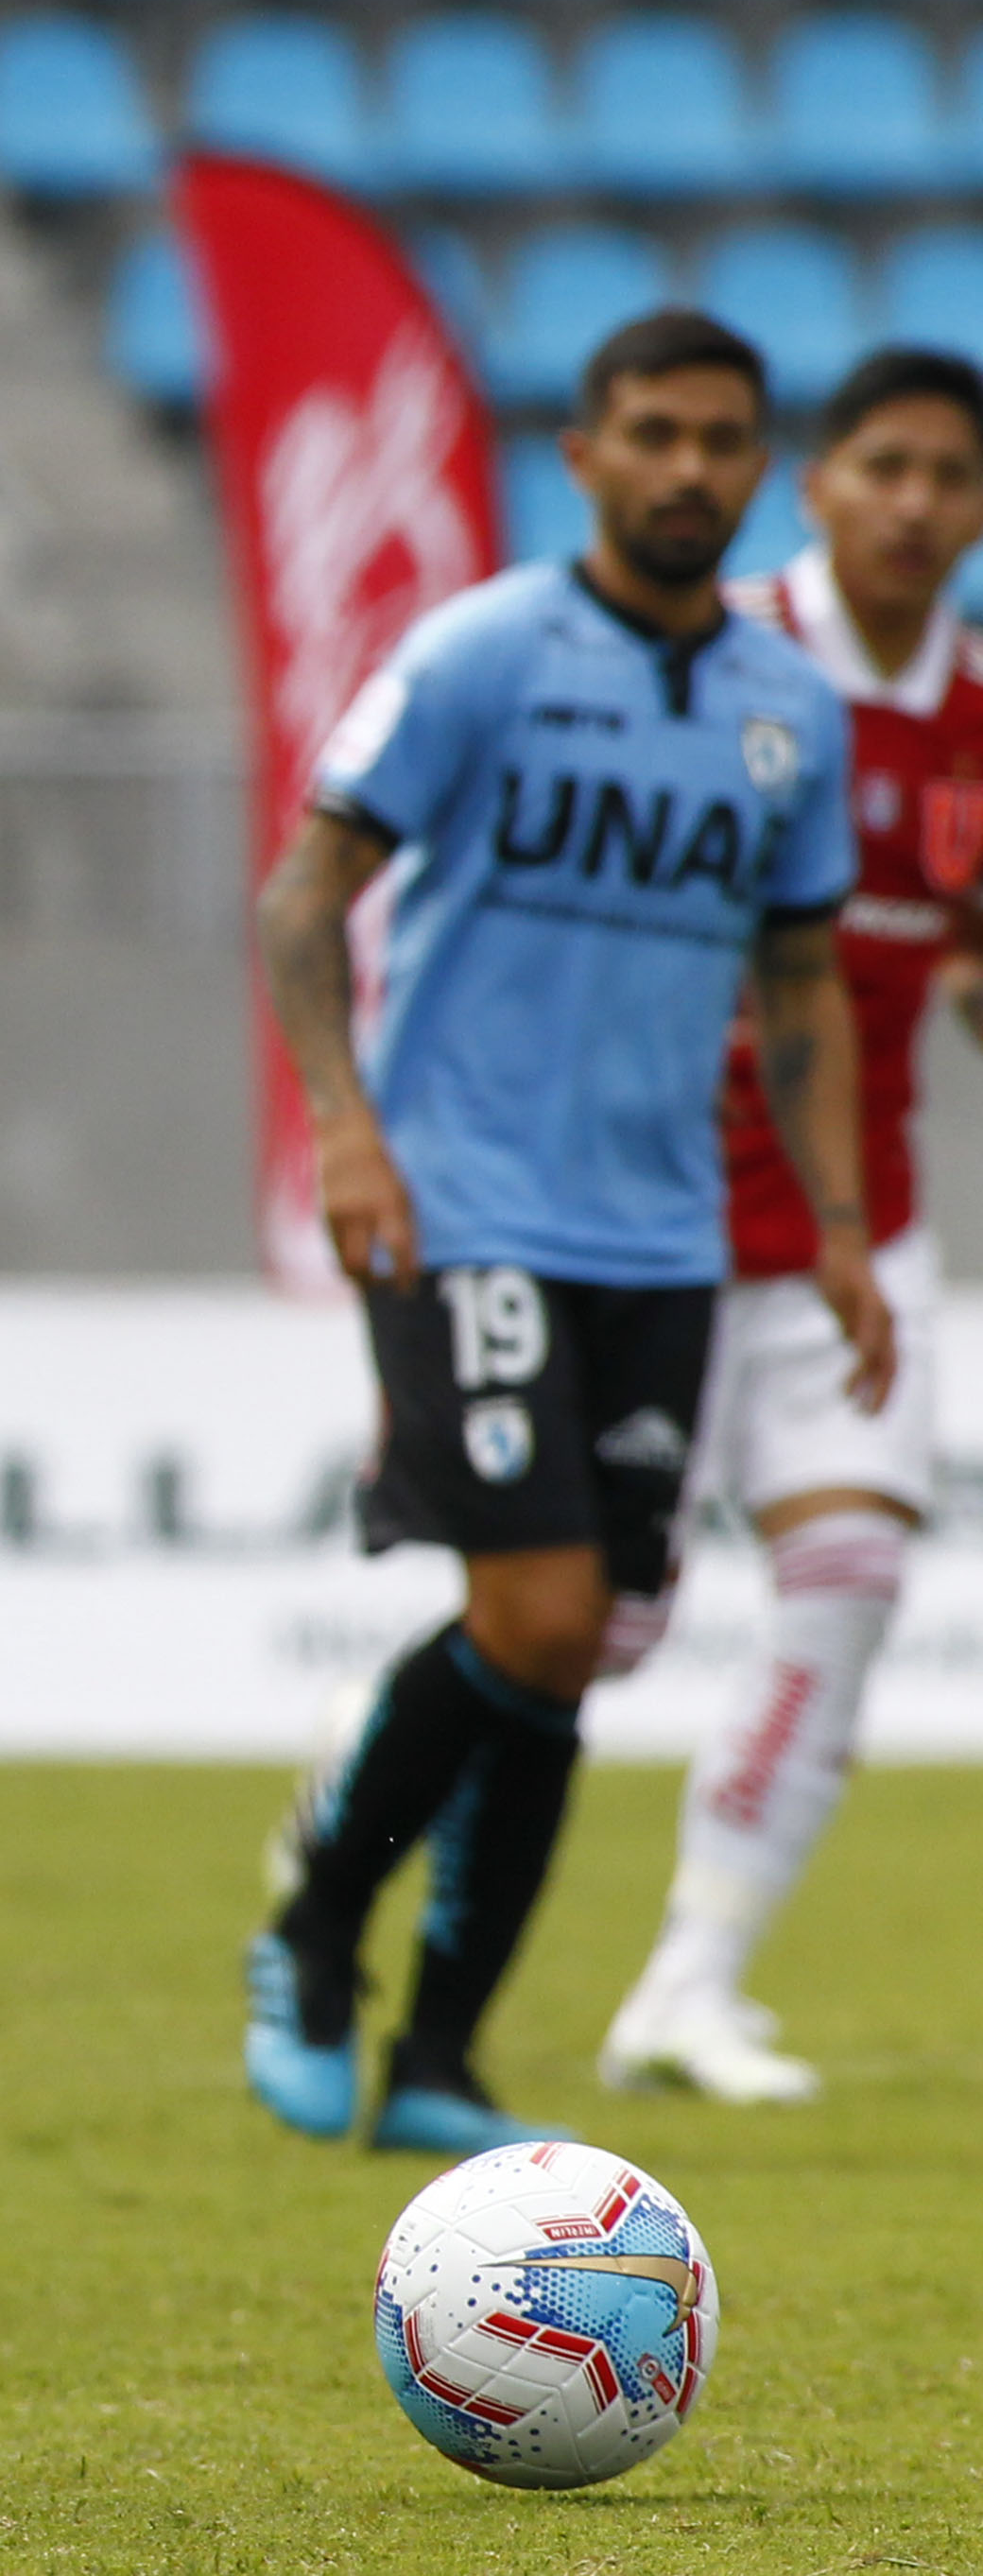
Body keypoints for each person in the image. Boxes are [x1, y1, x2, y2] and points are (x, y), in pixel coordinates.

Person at [244, 308, 877, 2156]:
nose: (691, 468)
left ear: (759, 468)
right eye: (655, 433)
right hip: (468, 1201)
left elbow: (805, 984)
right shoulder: (479, 657)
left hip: (665, 1236)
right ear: (586, 453)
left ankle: (441, 2049)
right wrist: (347, 1134)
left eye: (723, 440)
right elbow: (303, 897)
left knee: (577, 1639)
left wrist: (836, 1226)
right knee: (536, 1608)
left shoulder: (789, 713)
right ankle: (312, 1923)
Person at [595, 345, 983, 2103]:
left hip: (856, 1232)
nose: (917, 504)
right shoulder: (722, 664)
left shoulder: (976, 712)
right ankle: (346, 1831)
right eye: (886, 467)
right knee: (591, 1626)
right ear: (816, 484)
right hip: (645, 1220)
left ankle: (689, 1983)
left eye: (951, 479)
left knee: (846, 1582)